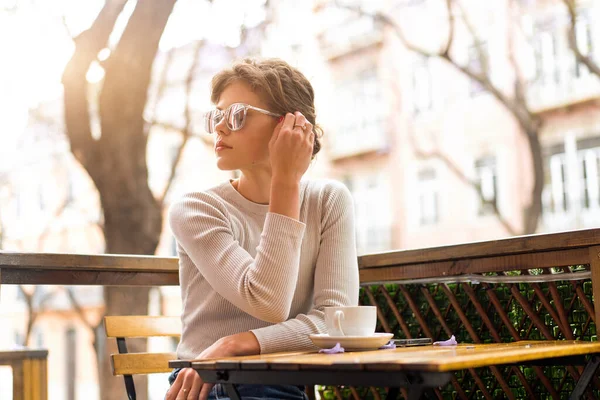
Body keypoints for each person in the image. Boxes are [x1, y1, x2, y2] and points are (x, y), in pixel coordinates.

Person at [165, 58, 359, 400]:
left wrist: (236, 342)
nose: (220, 128)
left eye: (238, 114)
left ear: (290, 126)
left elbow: (336, 322)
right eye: (217, 116)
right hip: (211, 382)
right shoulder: (196, 209)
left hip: (288, 379)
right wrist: (286, 182)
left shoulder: (328, 200)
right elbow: (268, 301)